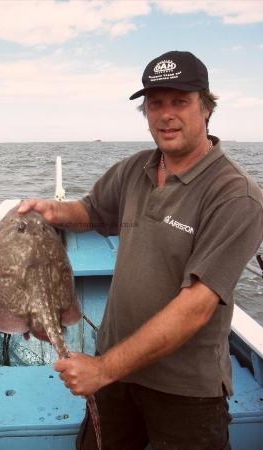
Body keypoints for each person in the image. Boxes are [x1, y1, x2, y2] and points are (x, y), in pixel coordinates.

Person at [18, 51, 263, 450]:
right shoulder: (136, 169)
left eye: (180, 102)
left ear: (206, 109)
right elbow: (93, 211)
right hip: (115, 372)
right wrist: (54, 209)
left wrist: (101, 369)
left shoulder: (235, 195)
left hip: (185, 388)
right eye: (155, 104)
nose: (166, 115)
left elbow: (197, 306)